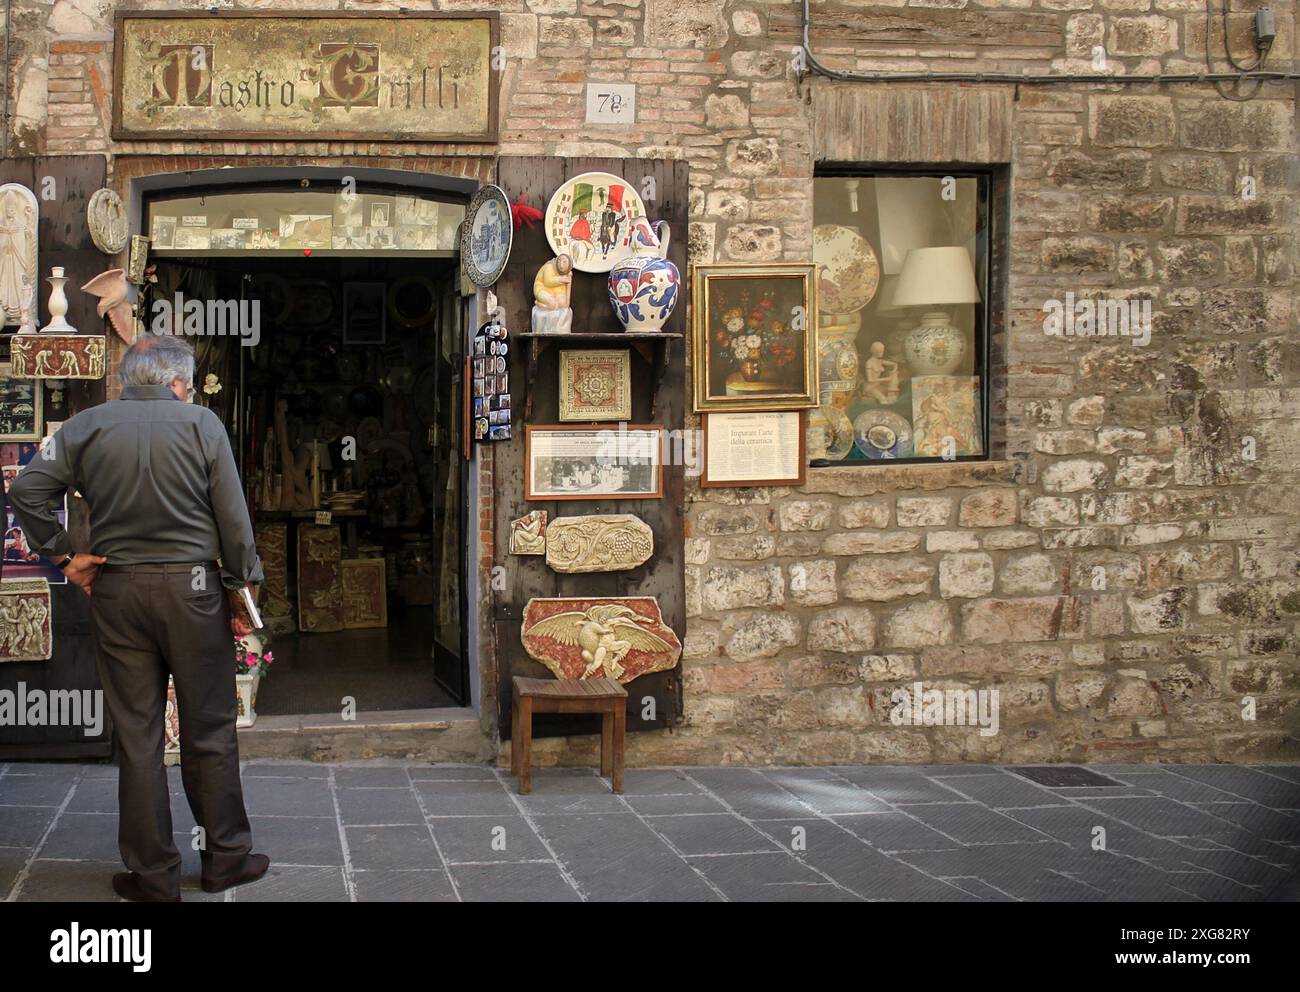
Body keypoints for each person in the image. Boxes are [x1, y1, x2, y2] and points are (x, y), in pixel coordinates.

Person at [8, 335, 269, 902]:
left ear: (131, 378)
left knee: (138, 736)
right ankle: (225, 858)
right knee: (210, 732)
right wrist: (240, 588)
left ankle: (152, 876)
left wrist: (61, 555)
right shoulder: (202, 426)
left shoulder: (86, 425)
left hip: (117, 591)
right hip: (194, 593)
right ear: (176, 382)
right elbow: (234, 518)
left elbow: (27, 489)